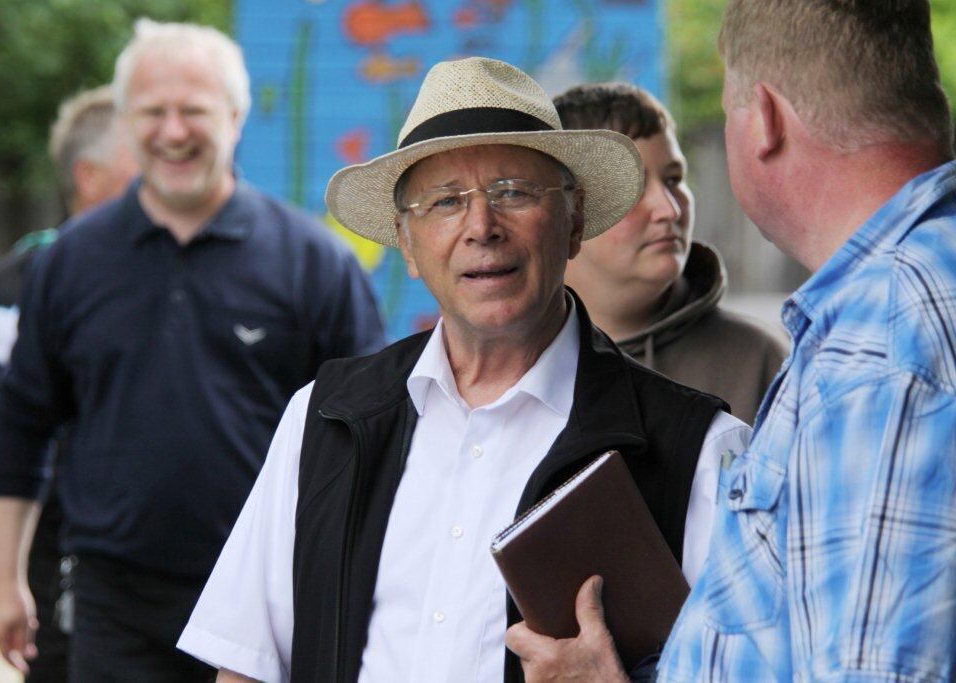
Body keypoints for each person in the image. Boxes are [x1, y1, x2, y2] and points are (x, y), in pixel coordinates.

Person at [177, 56, 751, 683]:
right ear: (407, 243)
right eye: (445, 201)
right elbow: (246, 669)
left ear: (575, 222)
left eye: (514, 191)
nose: (482, 227)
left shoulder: (698, 453)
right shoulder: (323, 420)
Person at [506, 1, 956, 681]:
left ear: (764, 119)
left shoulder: (881, 348)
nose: (665, 207)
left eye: (726, 108)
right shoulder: (888, 310)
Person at [0, 18, 385, 682]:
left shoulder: (314, 263)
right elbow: (21, 424)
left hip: (271, 594)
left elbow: (375, 436)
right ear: (125, 121)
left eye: (194, 110)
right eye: (153, 112)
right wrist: (5, 583)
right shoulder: (70, 262)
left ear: (235, 116)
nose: (173, 131)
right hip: (113, 600)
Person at [0, 84, 138, 682]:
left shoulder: (180, 267)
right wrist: (48, 375)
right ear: (88, 175)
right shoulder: (20, 274)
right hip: (57, 544)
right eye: (141, 155)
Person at [555, 82, 787, 425]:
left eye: (675, 179)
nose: (669, 210)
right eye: (632, 188)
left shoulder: (761, 360)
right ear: (568, 212)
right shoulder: (512, 362)